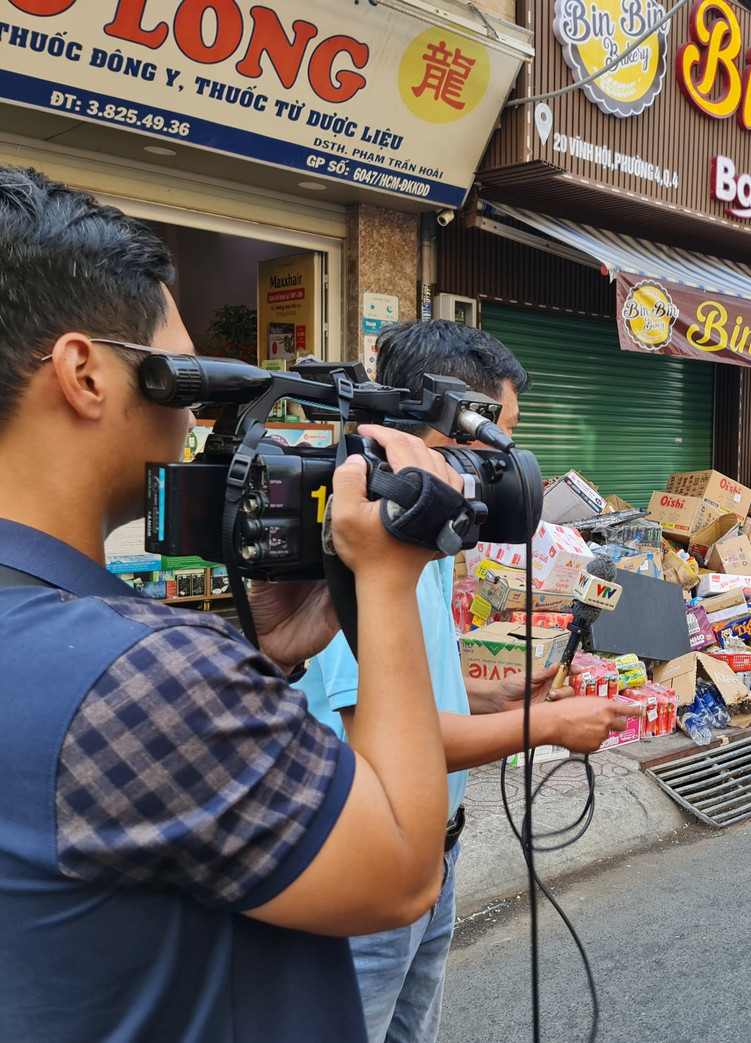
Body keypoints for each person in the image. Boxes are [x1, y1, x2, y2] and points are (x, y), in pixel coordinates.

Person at [0, 166, 464, 1039]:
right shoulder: (138, 677)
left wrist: (271, 657)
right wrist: (389, 578)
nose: (197, 417)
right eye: (188, 375)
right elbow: (403, 871)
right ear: (85, 374)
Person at [295, 320, 637, 1043]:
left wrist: (489, 697)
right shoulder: (361, 537)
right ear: (442, 421)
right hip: (368, 856)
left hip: (434, 849)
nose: (506, 467)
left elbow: (409, 685)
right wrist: (543, 727)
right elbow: (385, 739)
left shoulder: (426, 524)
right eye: (498, 436)